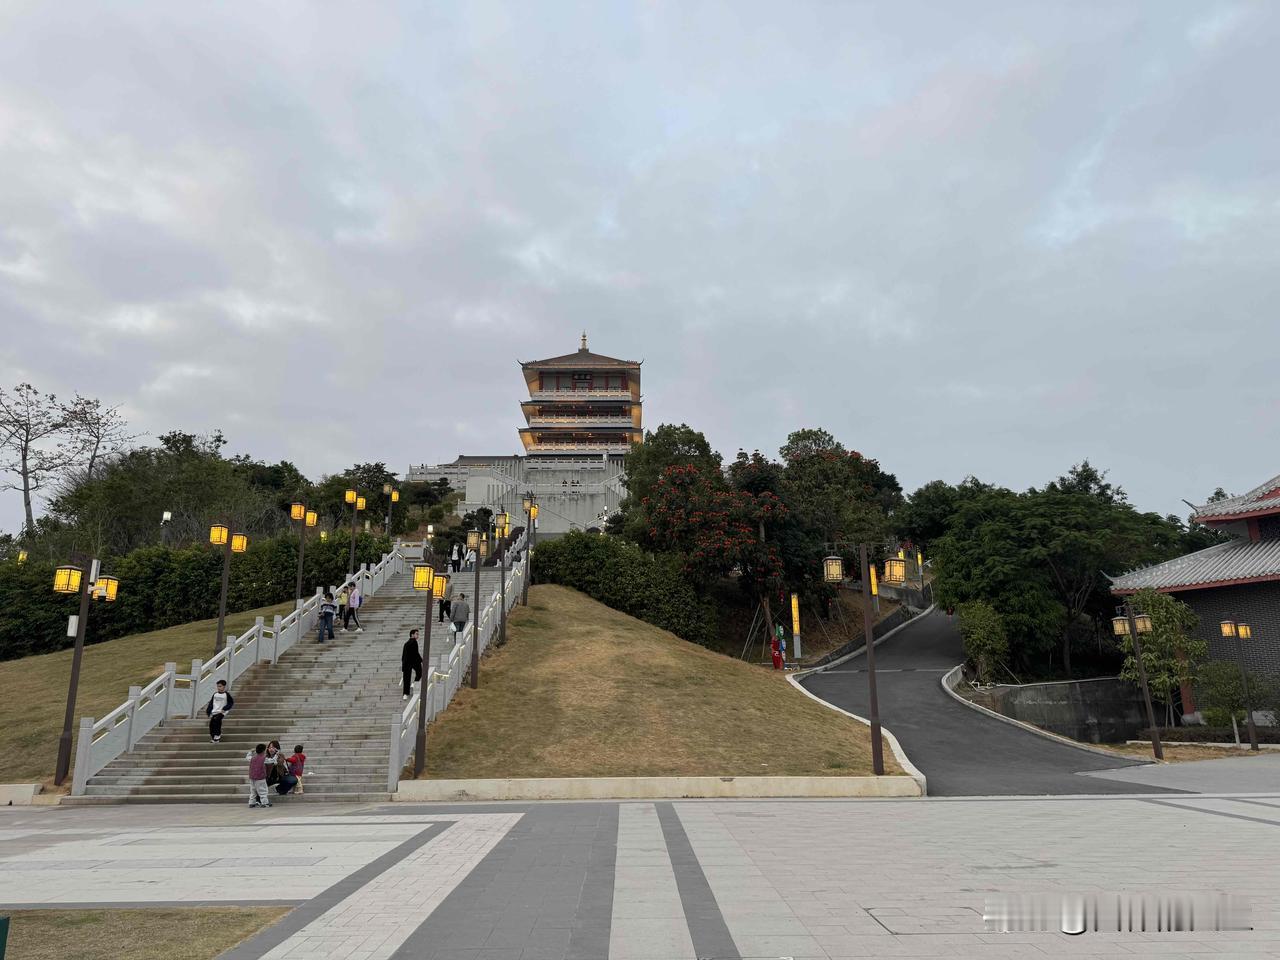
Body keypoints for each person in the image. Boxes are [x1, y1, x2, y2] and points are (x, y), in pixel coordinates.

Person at [402, 628, 423, 700]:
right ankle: (409, 689)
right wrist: (421, 660)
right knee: (418, 673)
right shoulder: (412, 642)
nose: (418, 635)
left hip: (409, 662)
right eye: (416, 634)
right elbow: (415, 653)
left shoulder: (407, 643)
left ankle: (406, 693)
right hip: (411, 662)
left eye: (418, 634)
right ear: (412, 635)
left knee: (407, 678)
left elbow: (404, 656)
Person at [247, 743, 270, 808]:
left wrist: (250, 752)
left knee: (253, 791)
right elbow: (272, 760)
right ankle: (265, 803)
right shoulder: (263, 758)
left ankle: (251, 803)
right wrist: (276, 755)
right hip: (260, 777)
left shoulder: (252, 758)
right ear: (263, 751)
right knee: (263, 790)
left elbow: (247, 757)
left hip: (252, 777)